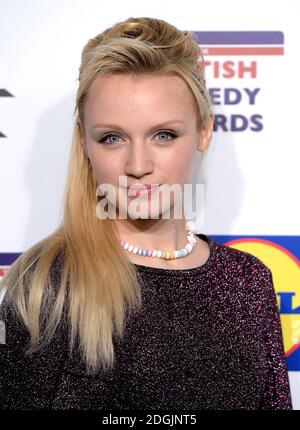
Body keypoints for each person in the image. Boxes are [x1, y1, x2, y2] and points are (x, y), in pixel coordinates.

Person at [0, 16, 292, 410]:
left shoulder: (249, 281)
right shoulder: (47, 286)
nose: (138, 164)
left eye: (164, 135)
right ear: (85, 142)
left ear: (204, 131)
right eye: (112, 138)